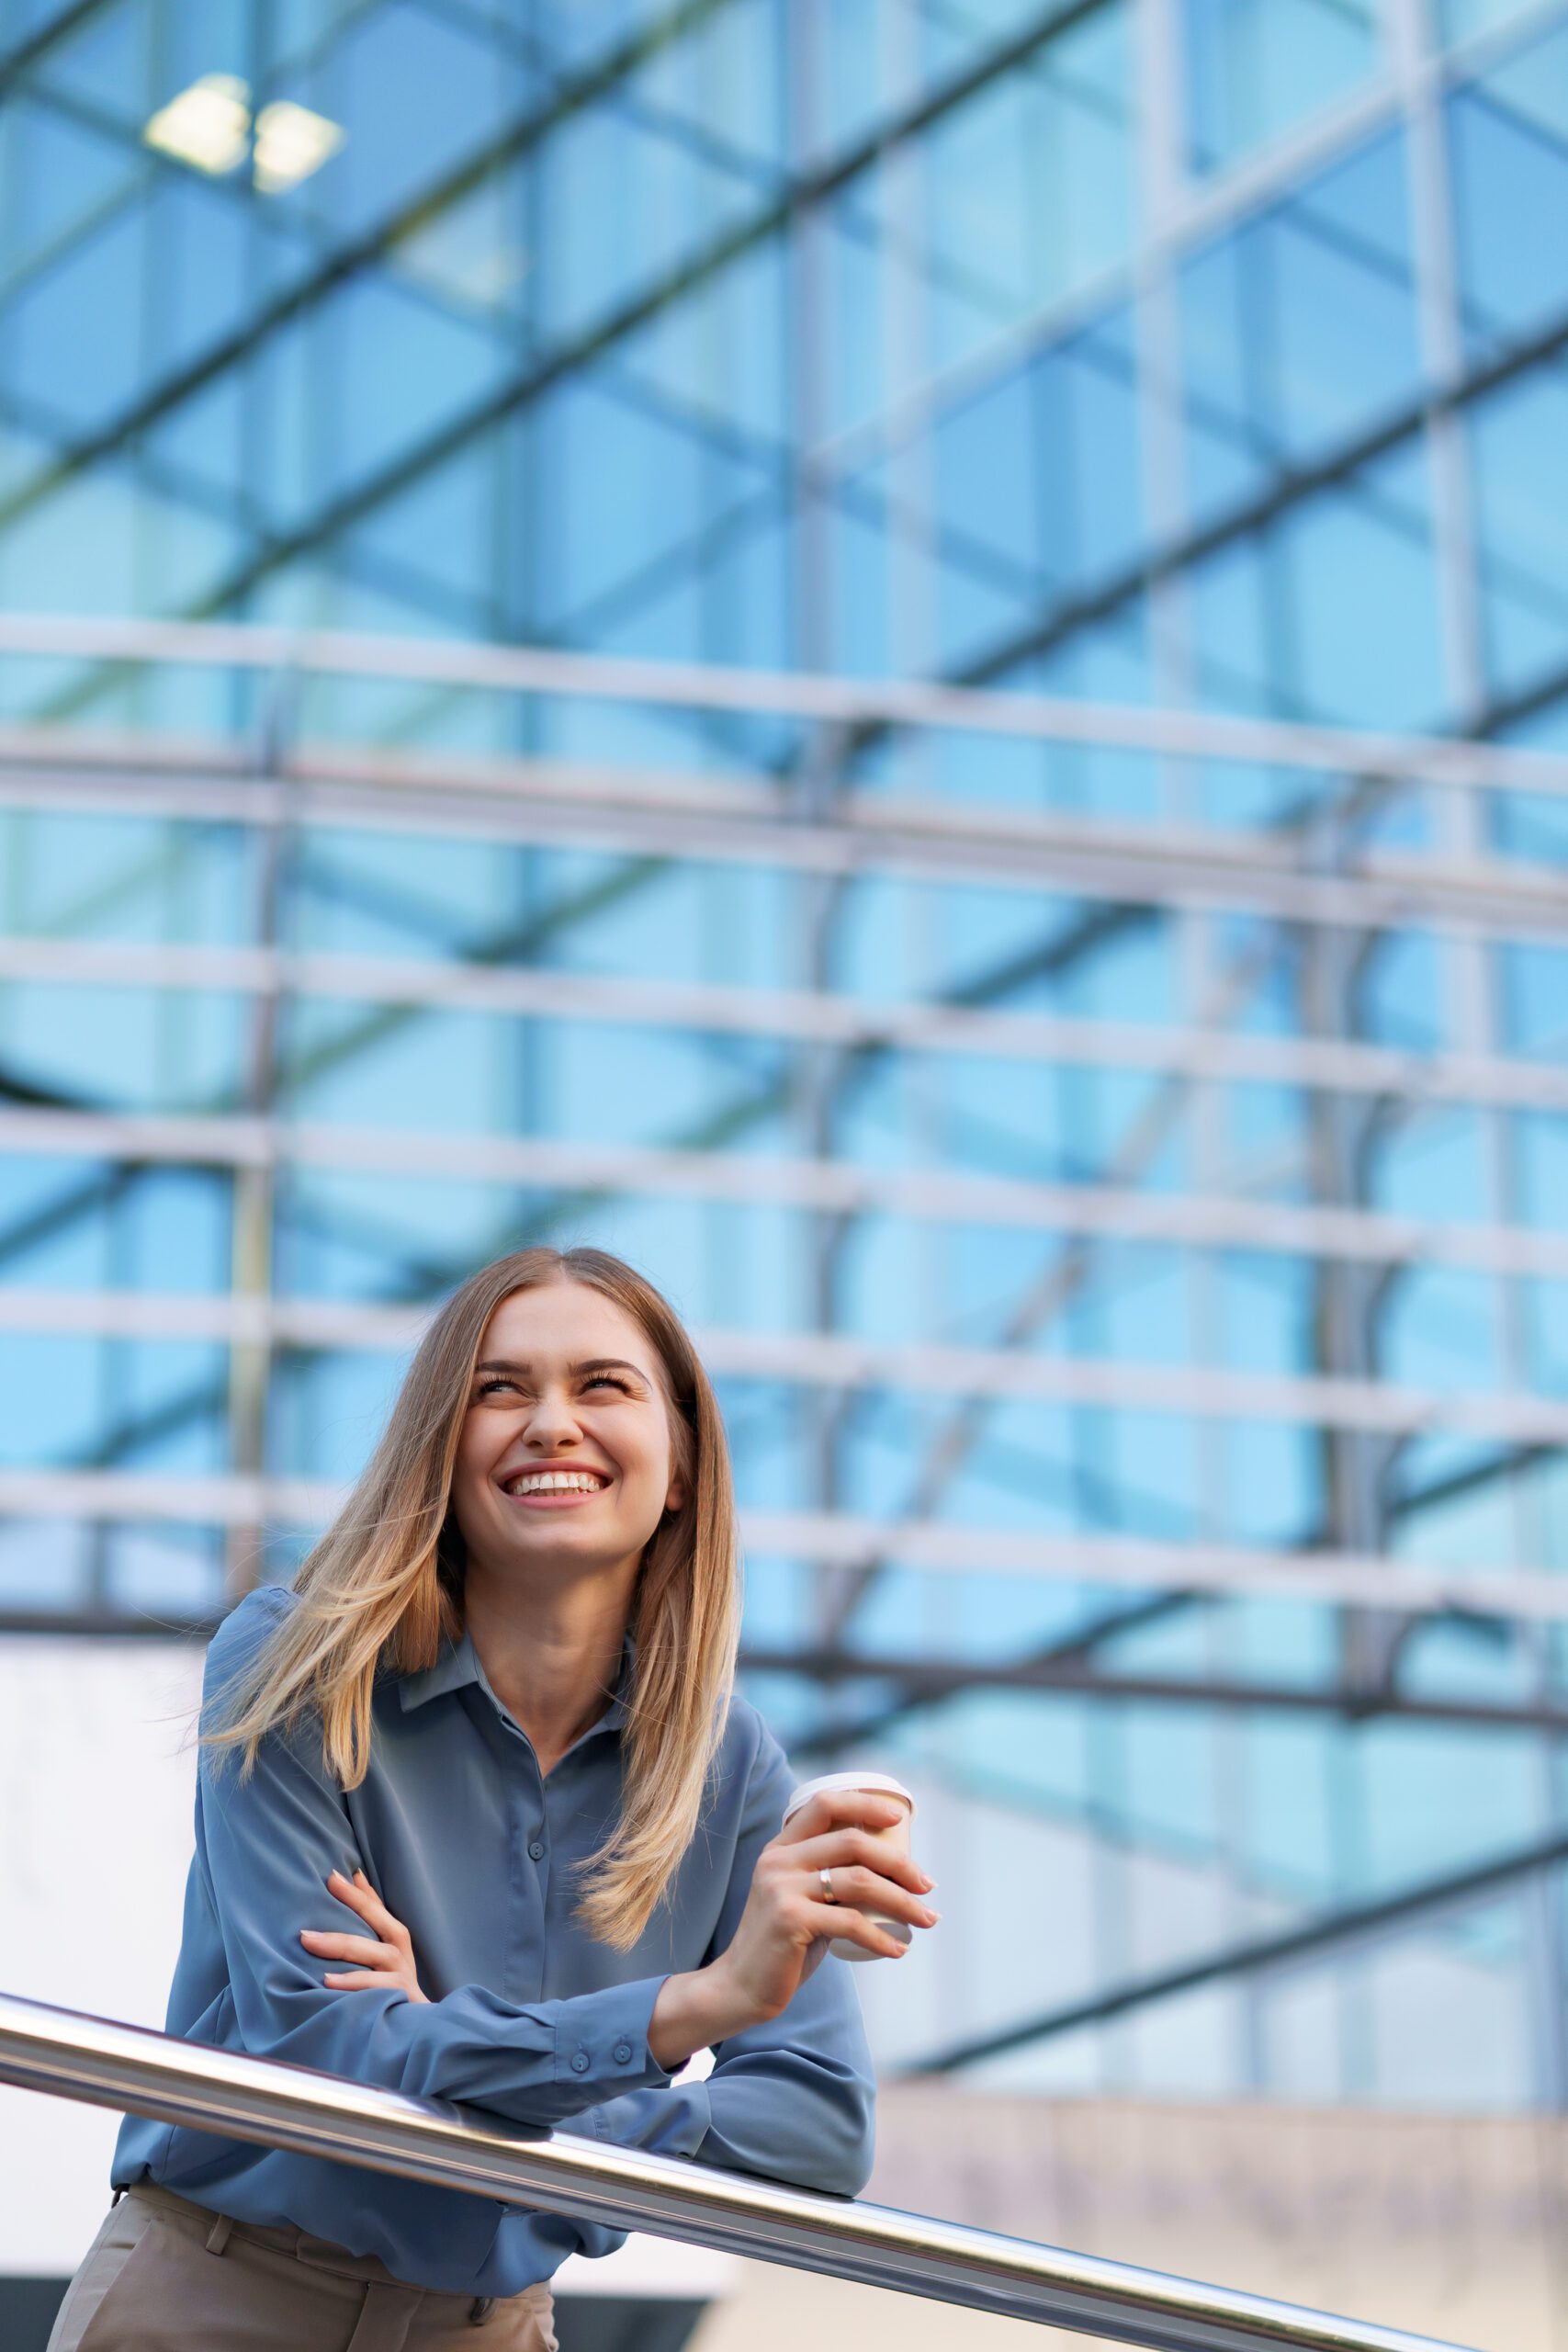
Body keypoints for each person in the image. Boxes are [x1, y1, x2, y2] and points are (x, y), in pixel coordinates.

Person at [48, 1245, 939, 2351]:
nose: (551, 1422)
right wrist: (693, 2009)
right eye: (498, 1389)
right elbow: (325, 2051)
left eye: (602, 1385)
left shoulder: (728, 1764)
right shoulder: (295, 1666)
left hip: (491, 2326)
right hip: (222, 2304)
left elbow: (817, 2129)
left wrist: (473, 2059)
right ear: (439, 1448)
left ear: (684, 1466)